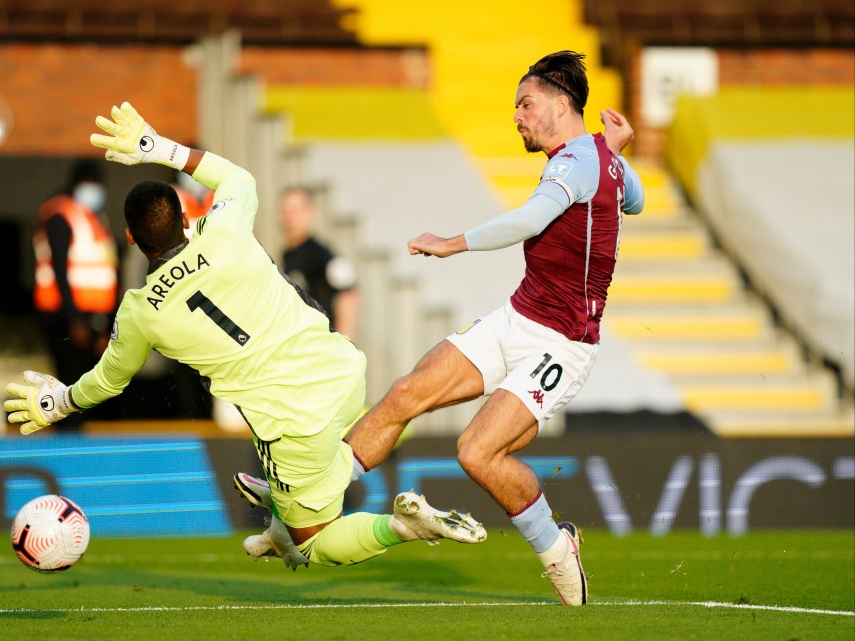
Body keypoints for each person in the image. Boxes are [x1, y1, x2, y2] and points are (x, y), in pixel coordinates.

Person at [4, 101, 486, 569]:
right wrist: (157, 146)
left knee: (312, 546)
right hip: (341, 371)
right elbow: (238, 179)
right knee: (331, 462)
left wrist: (60, 401)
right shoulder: (225, 231)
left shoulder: (140, 312)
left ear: (130, 238)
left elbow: (107, 381)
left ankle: (405, 527)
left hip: (292, 421)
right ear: (188, 218)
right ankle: (281, 500)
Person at [237, 51, 644, 605]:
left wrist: (451, 242)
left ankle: (556, 548)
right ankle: (309, 491)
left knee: (477, 452)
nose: (518, 116)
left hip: (564, 343)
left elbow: (529, 219)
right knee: (406, 393)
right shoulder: (599, 159)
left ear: (561, 103)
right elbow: (634, 198)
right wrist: (615, 151)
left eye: (526, 104)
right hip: (517, 317)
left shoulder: (575, 163)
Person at [33, 158, 119, 428]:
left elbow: (107, 272)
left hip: (93, 318)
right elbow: (59, 269)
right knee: (69, 387)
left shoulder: (94, 219)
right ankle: (68, 447)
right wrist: (75, 319)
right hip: (66, 317)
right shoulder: (60, 214)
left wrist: (107, 323)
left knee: (90, 391)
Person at [279, 186, 359, 340]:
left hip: (321, 343)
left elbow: (349, 295)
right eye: (285, 211)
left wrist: (344, 341)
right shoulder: (288, 254)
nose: (289, 217)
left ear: (310, 212)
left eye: (295, 211)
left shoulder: (320, 255)